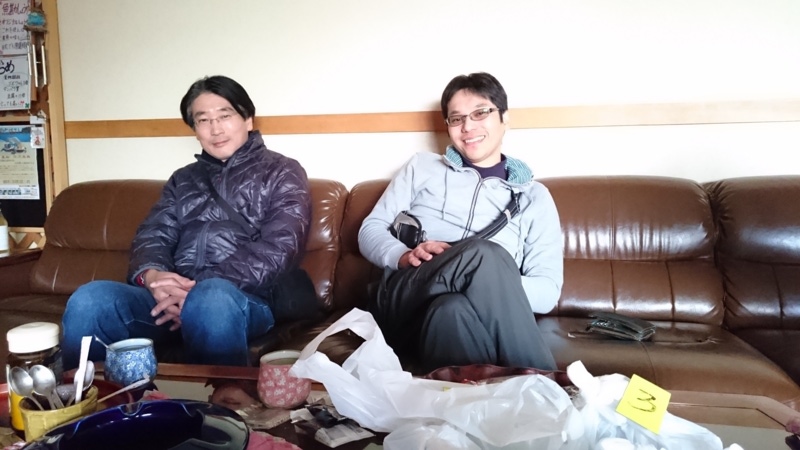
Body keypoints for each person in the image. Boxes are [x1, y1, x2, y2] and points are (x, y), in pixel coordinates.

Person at [61, 75, 315, 369]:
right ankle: (87, 397)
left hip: (243, 298)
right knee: (90, 300)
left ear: (247, 119)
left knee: (211, 298)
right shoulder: (182, 179)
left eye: (225, 116)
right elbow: (153, 234)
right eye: (203, 120)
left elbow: (280, 248)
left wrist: (193, 292)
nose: (215, 129)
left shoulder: (282, 172)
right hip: (169, 300)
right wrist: (152, 277)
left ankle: (223, 397)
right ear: (195, 130)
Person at [358, 72, 563, 374]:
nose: (468, 127)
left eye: (480, 113)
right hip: (408, 295)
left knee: (451, 311)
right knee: (484, 255)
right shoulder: (422, 167)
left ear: (504, 118)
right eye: (457, 119)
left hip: (458, 316)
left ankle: (484, 401)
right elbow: (370, 229)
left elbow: (546, 293)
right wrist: (402, 255)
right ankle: (551, 389)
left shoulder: (534, 197)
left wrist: (487, 281)